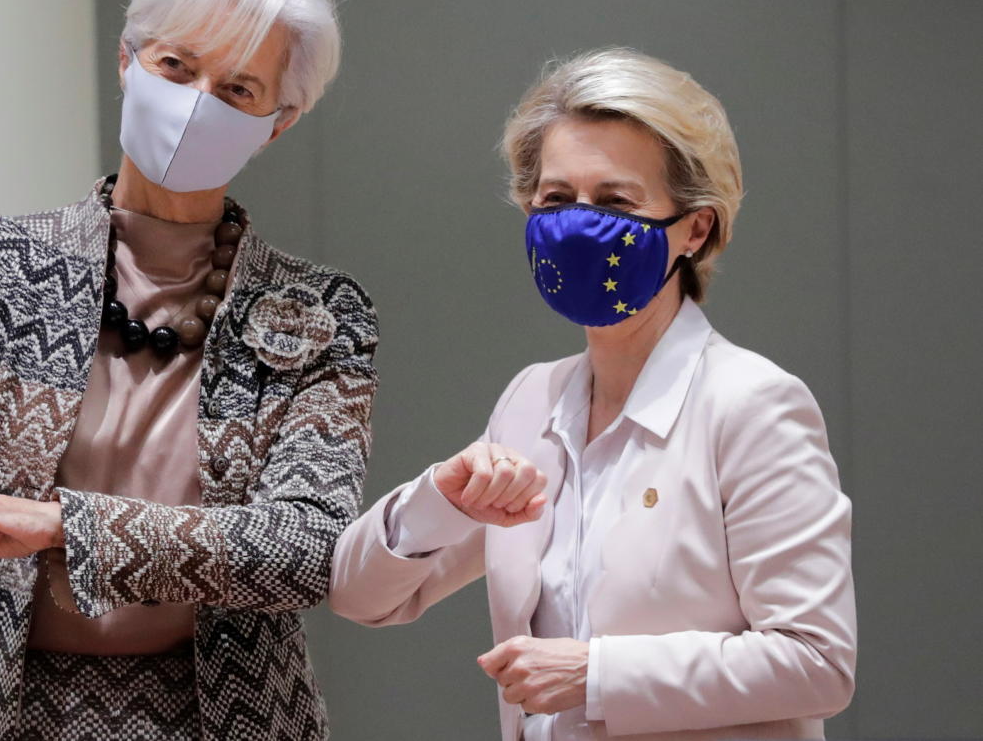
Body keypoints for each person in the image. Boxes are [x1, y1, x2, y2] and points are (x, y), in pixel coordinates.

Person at [0, 0, 378, 740]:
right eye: (177, 65)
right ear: (128, 59)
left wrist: (67, 525)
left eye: (239, 88)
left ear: (279, 121)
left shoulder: (320, 314)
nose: (198, 100)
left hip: (226, 715)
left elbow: (304, 548)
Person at [330, 48, 856, 740]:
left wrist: (596, 676)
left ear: (695, 229)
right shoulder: (531, 399)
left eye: (615, 202)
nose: (579, 228)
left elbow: (817, 663)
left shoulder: (753, 403)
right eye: (555, 201)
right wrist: (440, 500)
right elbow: (360, 597)